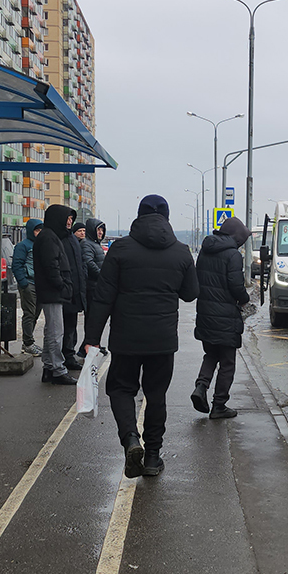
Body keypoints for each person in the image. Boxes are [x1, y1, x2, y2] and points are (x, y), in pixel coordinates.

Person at [84, 195, 198, 479]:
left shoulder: (120, 249)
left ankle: (131, 440)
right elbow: (190, 293)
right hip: (162, 339)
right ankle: (153, 457)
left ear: (138, 215)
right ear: (167, 218)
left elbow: (103, 297)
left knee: (121, 389)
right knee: (156, 394)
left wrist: (92, 338)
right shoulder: (181, 251)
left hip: (126, 337)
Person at [191, 216, 251, 419]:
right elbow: (236, 286)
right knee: (227, 362)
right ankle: (219, 405)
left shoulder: (205, 250)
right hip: (226, 317)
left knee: (211, 354)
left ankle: (200, 387)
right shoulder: (233, 255)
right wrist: (245, 298)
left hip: (206, 314)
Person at [34, 205, 76, 385]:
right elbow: (51, 266)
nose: (69, 222)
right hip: (52, 292)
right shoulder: (49, 238)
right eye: (67, 218)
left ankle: (49, 367)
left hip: (51, 291)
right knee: (55, 332)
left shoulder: (49, 236)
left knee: (51, 331)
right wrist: (62, 285)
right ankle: (58, 370)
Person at [11, 218, 43, 356]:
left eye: (41, 230)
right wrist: (23, 282)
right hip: (29, 284)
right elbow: (16, 265)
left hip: (40, 285)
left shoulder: (42, 245)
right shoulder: (23, 246)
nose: (39, 233)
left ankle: (28, 342)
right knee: (29, 314)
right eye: (37, 230)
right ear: (31, 231)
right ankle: (28, 343)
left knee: (35, 314)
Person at [77, 217, 107, 358]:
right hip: (91, 287)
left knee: (95, 318)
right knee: (92, 319)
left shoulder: (95, 244)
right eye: (98, 229)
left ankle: (92, 345)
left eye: (102, 230)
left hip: (96, 287)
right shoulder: (87, 244)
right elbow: (88, 262)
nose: (100, 232)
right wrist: (102, 276)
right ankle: (87, 347)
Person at [62, 211, 88, 371]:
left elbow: (80, 264)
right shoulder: (60, 240)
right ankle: (65, 356)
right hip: (65, 291)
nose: (70, 221)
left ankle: (69, 354)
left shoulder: (72, 241)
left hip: (75, 289)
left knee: (71, 325)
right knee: (63, 328)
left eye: (72, 219)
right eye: (68, 219)